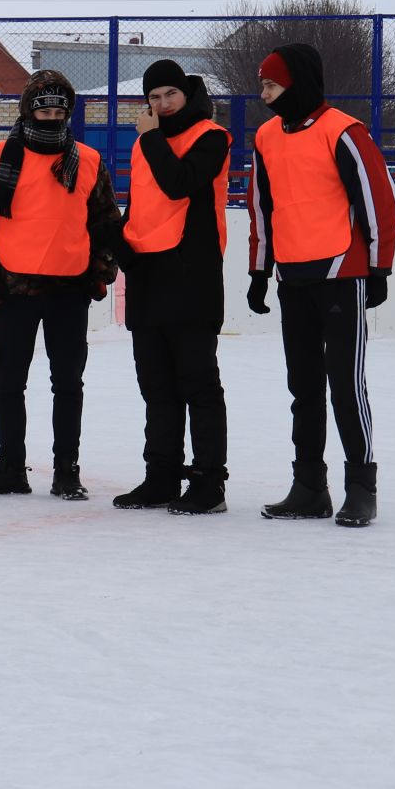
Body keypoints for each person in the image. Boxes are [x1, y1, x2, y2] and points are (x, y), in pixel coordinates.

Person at [247, 43, 395, 528]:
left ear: (297, 84)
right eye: (263, 86)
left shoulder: (344, 131)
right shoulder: (267, 137)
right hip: (293, 276)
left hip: (340, 272)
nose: (265, 95)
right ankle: (310, 486)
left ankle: (361, 488)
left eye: (271, 84)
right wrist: (259, 271)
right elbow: (261, 209)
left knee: (345, 385)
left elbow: (379, 201)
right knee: (304, 386)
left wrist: (378, 268)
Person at [0, 70, 119, 499]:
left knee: (68, 384)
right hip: (14, 291)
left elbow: (106, 225)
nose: (51, 117)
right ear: (29, 110)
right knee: (9, 383)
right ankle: (10, 467)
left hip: (70, 290)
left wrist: (100, 275)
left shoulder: (88, 160)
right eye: (43, 109)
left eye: (58, 111)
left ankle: (67, 470)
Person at [112, 61, 233, 515]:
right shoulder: (149, 143)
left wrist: (149, 137)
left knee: (198, 385)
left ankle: (208, 483)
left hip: (191, 277)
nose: (161, 104)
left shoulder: (210, 137)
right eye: (154, 97)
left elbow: (179, 184)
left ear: (186, 94)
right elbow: (142, 206)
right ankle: (160, 476)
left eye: (170, 95)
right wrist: (120, 250)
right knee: (157, 388)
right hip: (147, 277)